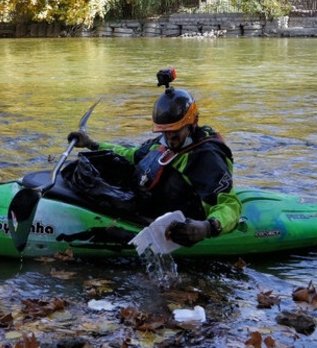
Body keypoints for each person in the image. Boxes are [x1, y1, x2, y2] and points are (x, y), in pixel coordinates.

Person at [68, 69, 242, 247]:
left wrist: (207, 227)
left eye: (175, 131)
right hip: (151, 202)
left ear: (192, 123)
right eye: (165, 131)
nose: (170, 137)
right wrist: (92, 144)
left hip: (185, 222)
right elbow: (133, 154)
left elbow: (230, 205)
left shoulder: (205, 157)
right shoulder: (164, 142)